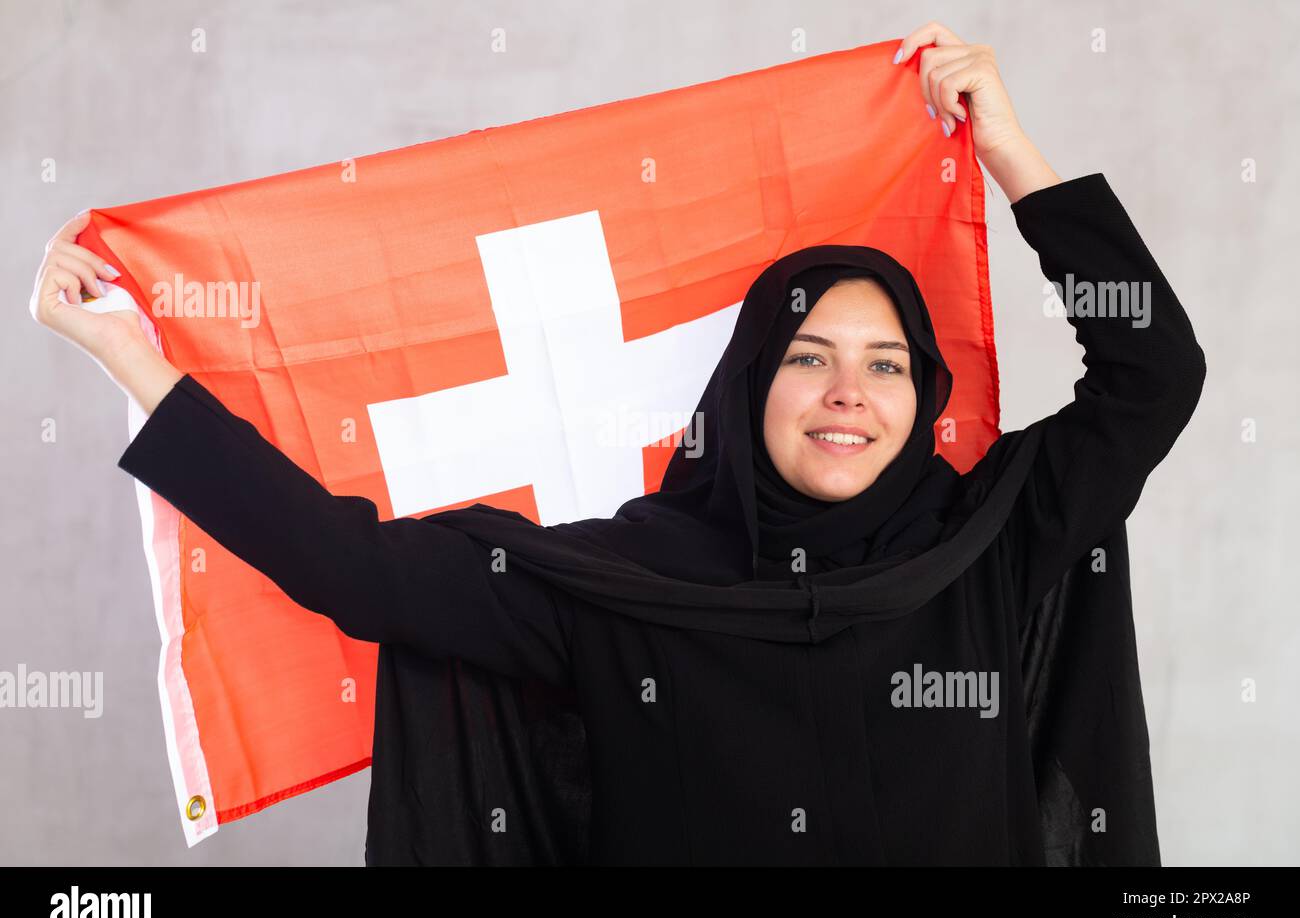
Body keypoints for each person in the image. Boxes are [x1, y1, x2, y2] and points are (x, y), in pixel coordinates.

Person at [29, 22, 1204, 865]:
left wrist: (1006, 146)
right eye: (808, 356)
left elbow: (1153, 375)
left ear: (919, 394)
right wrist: (131, 357)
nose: (849, 390)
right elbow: (351, 566)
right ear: (747, 387)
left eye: (886, 363)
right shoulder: (616, 588)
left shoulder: (987, 542)